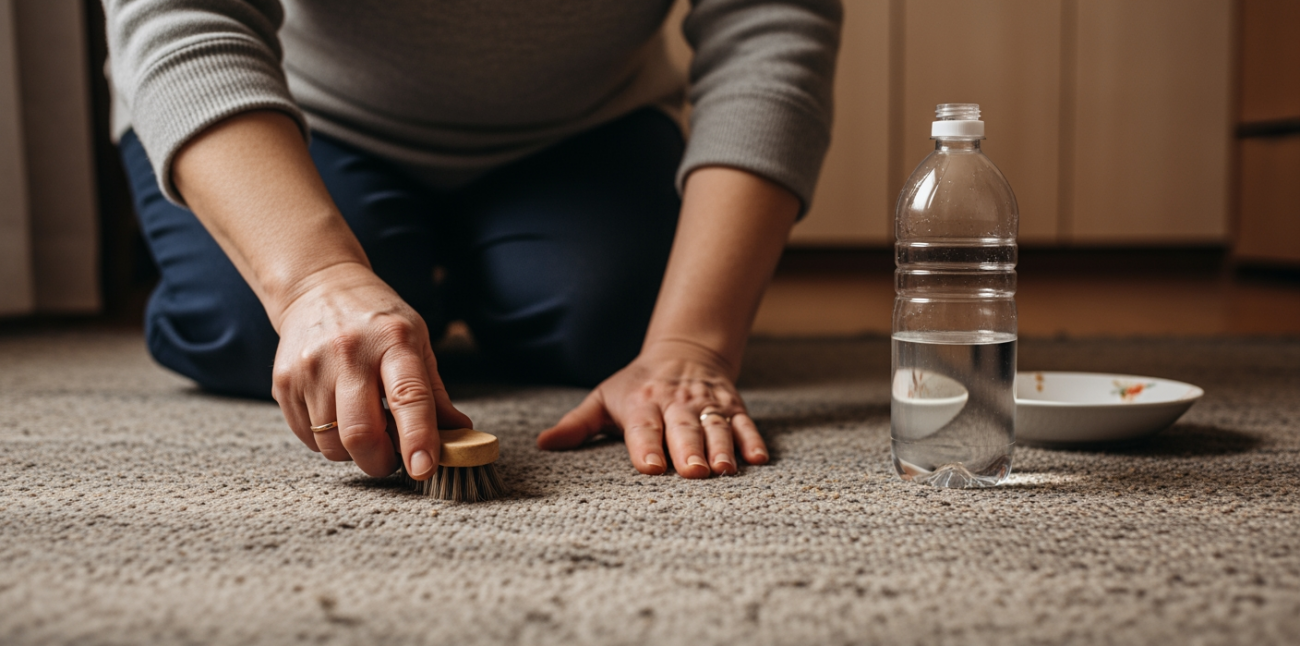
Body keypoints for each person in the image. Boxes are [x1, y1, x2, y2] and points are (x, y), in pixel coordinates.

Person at [104, 0, 842, 482]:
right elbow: (181, 15)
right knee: (242, 331)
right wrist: (313, 281)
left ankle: (431, 268)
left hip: (583, 122)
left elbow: (771, 24)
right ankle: (402, 266)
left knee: (618, 326)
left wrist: (692, 347)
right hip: (292, 111)